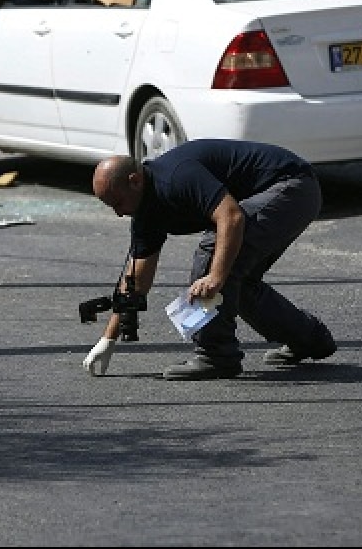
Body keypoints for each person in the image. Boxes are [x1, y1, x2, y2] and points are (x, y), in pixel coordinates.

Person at [85, 139, 336, 381]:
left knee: (215, 253)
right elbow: (136, 278)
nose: (118, 213)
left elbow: (231, 217)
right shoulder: (145, 212)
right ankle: (309, 340)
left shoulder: (176, 177)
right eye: (110, 206)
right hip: (288, 193)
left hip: (293, 187)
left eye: (117, 202)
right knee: (239, 281)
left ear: (135, 181)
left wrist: (215, 277)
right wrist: (108, 339)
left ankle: (215, 355)